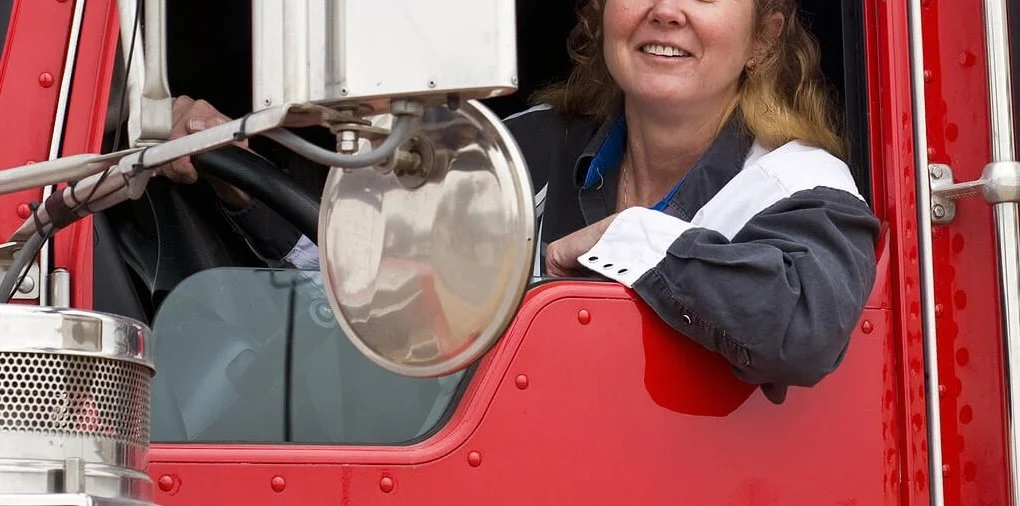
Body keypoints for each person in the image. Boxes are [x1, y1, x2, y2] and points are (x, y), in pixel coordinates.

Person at [159, 0, 879, 404]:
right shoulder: (521, 150)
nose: (667, 11)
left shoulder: (797, 185)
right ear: (602, 15)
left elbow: (803, 327)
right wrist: (242, 184)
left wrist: (619, 239)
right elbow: (385, 307)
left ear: (764, 37)